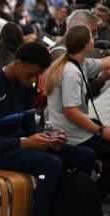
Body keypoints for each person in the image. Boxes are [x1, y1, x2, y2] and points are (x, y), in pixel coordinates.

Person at [0, 42, 96, 216]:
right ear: (18, 64)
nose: (35, 79)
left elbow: (30, 129)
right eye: (33, 73)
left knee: (85, 156)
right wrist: (25, 143)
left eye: (38, 75)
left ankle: (71, 212)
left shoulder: (26, 85)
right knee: (51, 164)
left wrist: (49, 138)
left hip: (21, 146)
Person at [45, 25, 110, 200]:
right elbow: (71, 112)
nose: (94, 39)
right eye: (92, 37)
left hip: (73, 130)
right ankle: (92, 201)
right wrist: (101, 131)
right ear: (86, 45)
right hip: (72, 135)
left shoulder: (76, 63)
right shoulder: (71, 73)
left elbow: (105, 63)